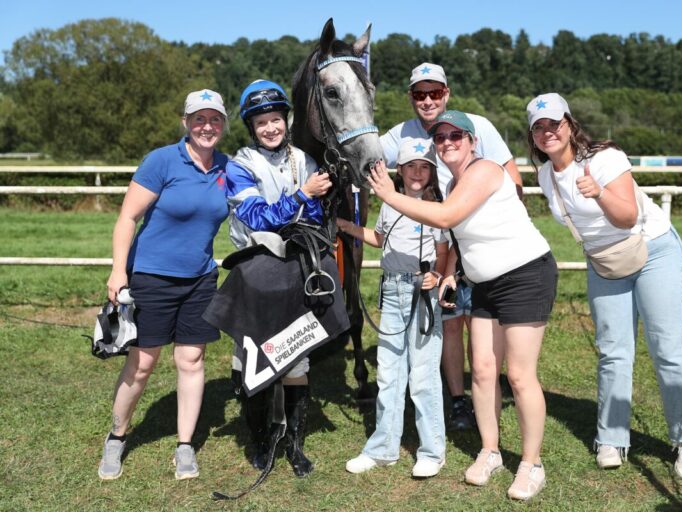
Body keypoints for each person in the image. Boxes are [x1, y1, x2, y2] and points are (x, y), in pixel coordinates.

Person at [369, 111, 558, 501]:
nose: (448, 142)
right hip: (484, 281)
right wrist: (455, 272)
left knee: (520, 376)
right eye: (440, 137)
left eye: (457, 135)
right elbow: (461, 235)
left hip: (525, 276)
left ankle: (531, 463)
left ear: (472, 141)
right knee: (483, 372)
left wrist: (390, 195)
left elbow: (447, 216)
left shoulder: (485, 169)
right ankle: (490, 451)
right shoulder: (454, 181)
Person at [527, 93, 682, 479]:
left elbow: (626, 216)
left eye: (553, 123)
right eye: (538, 127)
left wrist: (600, 192)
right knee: (612, 351)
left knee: (667, 349)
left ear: (570, 125)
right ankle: (611, 438)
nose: (547, 132)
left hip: (653, 249)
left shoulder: (606, 159)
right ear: (532, 136)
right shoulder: (544, 176)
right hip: (605, 262)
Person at [380, 62, 524, 431]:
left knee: (483, 323)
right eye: (419, 94)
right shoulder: (398, 134)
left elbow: (514, 181)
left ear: (447, 93)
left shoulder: (477, 126)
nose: (427, 100)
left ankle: (486, 397)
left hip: (476, 242)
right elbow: (366, 161)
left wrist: (498, 226)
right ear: (411, 97)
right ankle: (458, 401)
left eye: (435, 92)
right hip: (437, 247)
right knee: (450, 324)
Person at [98, 89, 229, 480]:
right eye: (199, 119)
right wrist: (118, 271)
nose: (207, 126)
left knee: (191, 360)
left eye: (215, 119)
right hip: (151, 277)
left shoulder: (226, 167)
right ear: (186, 123)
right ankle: (117, 436)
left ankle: (185, 445)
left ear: (223, 124)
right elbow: (127, 218)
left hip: (201, 279)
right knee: (142, 364)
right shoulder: (161, 160)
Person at [226, 79, 332, 478]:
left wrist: (313, 202)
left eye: (275, 119)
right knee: (250, 354)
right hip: (254, 268)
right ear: (250, 127)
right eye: (261, 122)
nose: (270, 128)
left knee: (297, 357)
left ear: (286, 120)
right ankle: (259, 438)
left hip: (296, 269)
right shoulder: (239, 166)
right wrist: (303, 195)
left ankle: (295, 444)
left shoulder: (305, 159)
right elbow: (255, 218)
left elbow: (317, 219)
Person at [340, 138, 448, 478]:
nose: (417, 173)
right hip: (392, 290)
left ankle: (432, 451)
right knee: (388, 373)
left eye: (424, 167)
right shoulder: (389, 204)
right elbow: (379, 238)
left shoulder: (436, 206)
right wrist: (345, 227)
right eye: (410, 166)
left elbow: (443, 251)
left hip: (421, 293)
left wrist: (437, 274)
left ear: (431, 173)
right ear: (398, 171)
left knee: (423, 377)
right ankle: (383, 448)